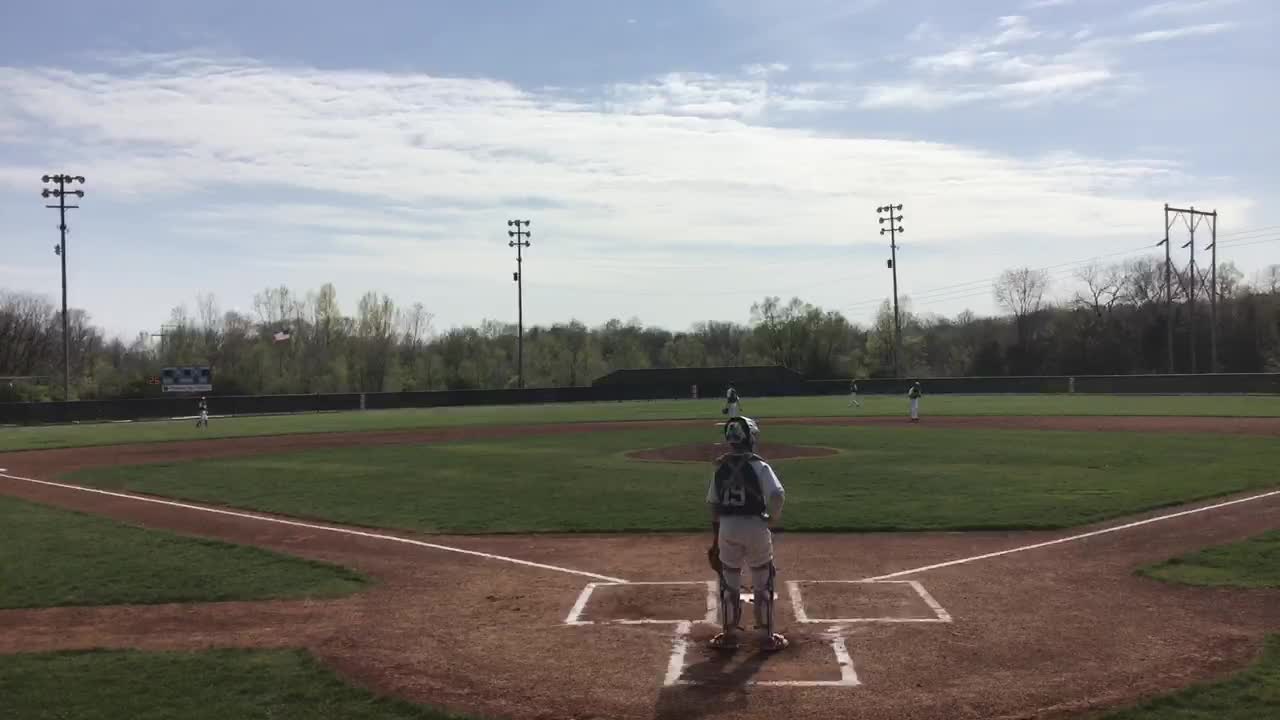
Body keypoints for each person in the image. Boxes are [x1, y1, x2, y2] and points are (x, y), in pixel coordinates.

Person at [706, 416, 787, 651]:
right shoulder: (759, 466)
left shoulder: (720, 468)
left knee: (729, 581)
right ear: (749, 438)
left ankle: (729, 634)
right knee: (763, 580)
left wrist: (715, 540)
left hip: (727, 528)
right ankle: (766, 637)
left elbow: (713, 505)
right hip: (755, 527)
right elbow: (777, 495)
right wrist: (772, 518)